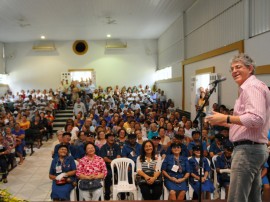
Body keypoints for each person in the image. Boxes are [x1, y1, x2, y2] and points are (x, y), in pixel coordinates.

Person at [205, 53, 270, 202]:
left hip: (247, 151)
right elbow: (248, 124)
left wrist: (226, 117)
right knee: (253, 198)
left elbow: (256, 119)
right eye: (232, 68)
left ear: (250, 68)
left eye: (238, 67)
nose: (234, 71)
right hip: (253, 149)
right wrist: (222, 121)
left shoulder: (251, 87)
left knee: (236, 198)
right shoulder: (252, 87)